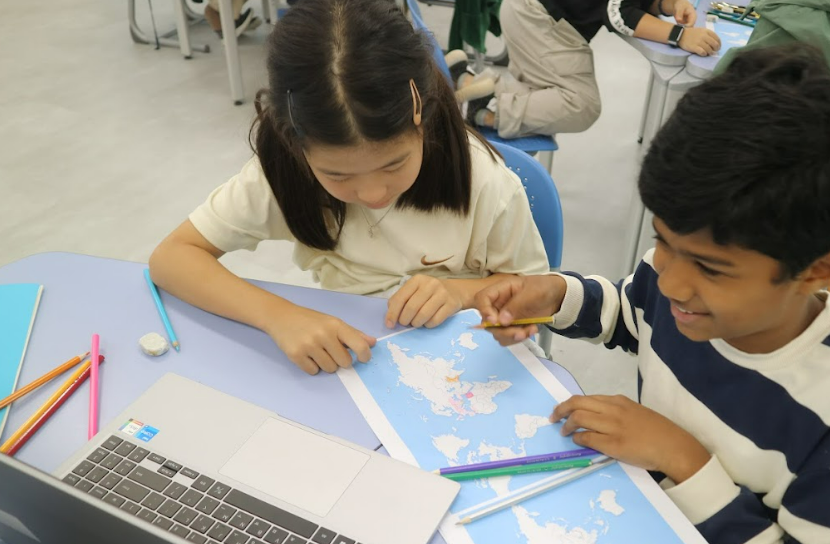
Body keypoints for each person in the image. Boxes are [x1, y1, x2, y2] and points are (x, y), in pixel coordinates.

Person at [475, 44, 830, 544]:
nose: (671, 281)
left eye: (710, 267)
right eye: (663, 240)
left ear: (817, 271)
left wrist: (683, 460)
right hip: (646, 538)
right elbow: (633, 313)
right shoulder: (681, 289)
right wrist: (554, 294)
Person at [149, 0, 549, 375]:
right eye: (338, 176)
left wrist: (460, 294)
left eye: (394, 164)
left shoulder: (485, 181)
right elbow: (172, 257)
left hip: (466, 359)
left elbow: (539, 295)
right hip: (355, 353)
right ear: (296, 145)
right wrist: (278, 316)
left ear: (421, 116)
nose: (373, 194)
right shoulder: (284, 170)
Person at [454, 0, 722, 138]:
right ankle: (486, 109)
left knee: (546, 94)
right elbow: (618, 13)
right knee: (581, 105)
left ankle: (470, 85)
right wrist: (679, 35)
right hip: (540, 19)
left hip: (531, 13)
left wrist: (669, 4)